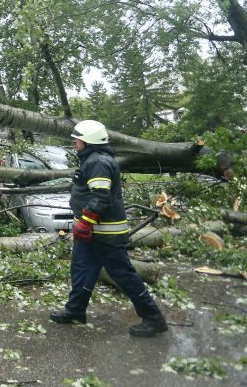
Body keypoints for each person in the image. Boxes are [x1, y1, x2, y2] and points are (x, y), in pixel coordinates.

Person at [50, 120, 168, 337]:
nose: (75, 142)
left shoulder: (98, 162)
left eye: (78, 139)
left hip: (105, 233)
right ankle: (75, 310)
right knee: (81, 269)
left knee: (123, 274)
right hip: (91, 232)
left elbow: (101, 196)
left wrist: (85, 222)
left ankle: (153, 318)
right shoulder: (93, 159)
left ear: (88, 142)